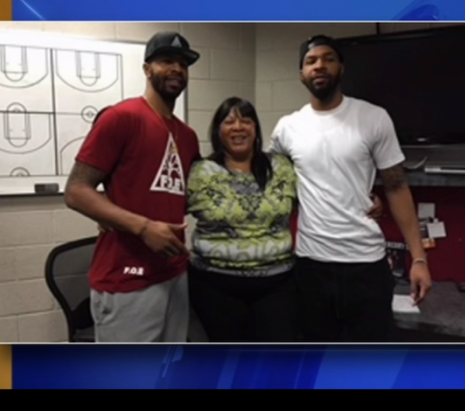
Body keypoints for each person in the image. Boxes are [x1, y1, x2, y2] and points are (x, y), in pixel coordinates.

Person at [267, 34, 432, 342]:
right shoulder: (287, 128)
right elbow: (275, 184)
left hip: (366, 267)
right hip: (311, 267)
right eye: (311, 61)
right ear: (301, 74)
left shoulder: (373, 118)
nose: (320, 66)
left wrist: (419, 258)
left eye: (328, 59)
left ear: (341, 68)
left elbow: (396, 187)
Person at [185, 97, 385, 342]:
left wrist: (366, 198)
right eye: (229, 122)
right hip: (215, 286)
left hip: (276, 286)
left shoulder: (280, 167)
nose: (238, 127)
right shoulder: (199, 172)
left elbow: (323, 187)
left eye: (246, 121)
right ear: (218, 130)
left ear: (256, 129)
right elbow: (167, 206)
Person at [64, 31, 202, 343]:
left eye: (183, 63)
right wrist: (142, 227)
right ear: (146, 69)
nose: (177, 69)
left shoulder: (188, 136)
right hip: (128, 276)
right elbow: (76, 191)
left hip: (173, 273)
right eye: (167, 61)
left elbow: (177, 196)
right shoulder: (122, 118)